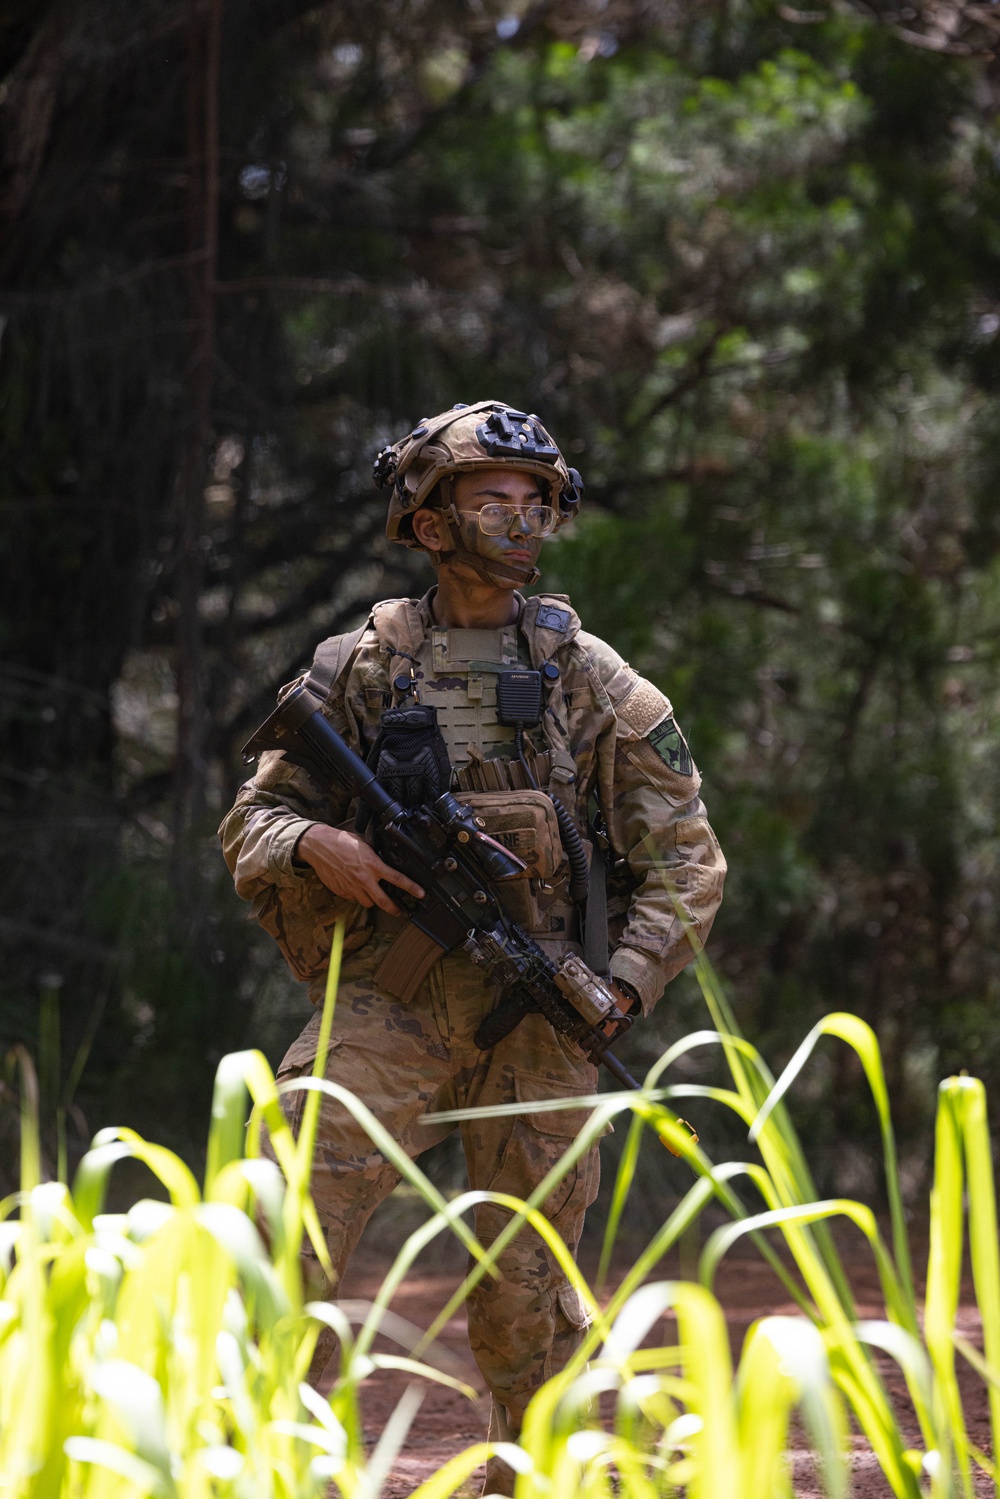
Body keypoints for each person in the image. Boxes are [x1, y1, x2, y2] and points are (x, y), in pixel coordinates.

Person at [219, 399, 726, 1492]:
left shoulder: (586, 674)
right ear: (430, 519)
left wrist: (618, 990)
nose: (517, 520)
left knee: (527, 1287)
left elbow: (688, 863)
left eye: (533, 501)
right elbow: (249, 821)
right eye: (489, 498)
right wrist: (317, 843)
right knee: (283, 1209)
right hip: (393, 994)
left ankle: (535, 1472)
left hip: (541, 1007)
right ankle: (255, 1460)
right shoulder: (362, 663)